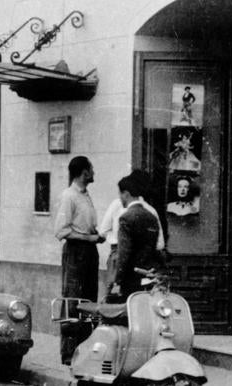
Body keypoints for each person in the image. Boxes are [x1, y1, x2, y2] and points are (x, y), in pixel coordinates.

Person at [54, 155, 104, 365]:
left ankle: (84, 348)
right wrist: (89, 237)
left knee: (89, 299)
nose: (94, 172)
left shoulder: (86, 195)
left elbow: (84, 225)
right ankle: (68, 352)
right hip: (76, 252)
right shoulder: (69, 196)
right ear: (84, 172)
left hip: (90, 252)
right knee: (73, 300)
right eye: (91, 169)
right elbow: (61, 231)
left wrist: (96, 235)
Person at [98, 170, 164, 287]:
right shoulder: (151, 212)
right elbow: (160, 244)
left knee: (115, 294)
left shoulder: (118, 205)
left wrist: (118, 241)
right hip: (143, 262)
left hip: (119, 257)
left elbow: (103, 231)